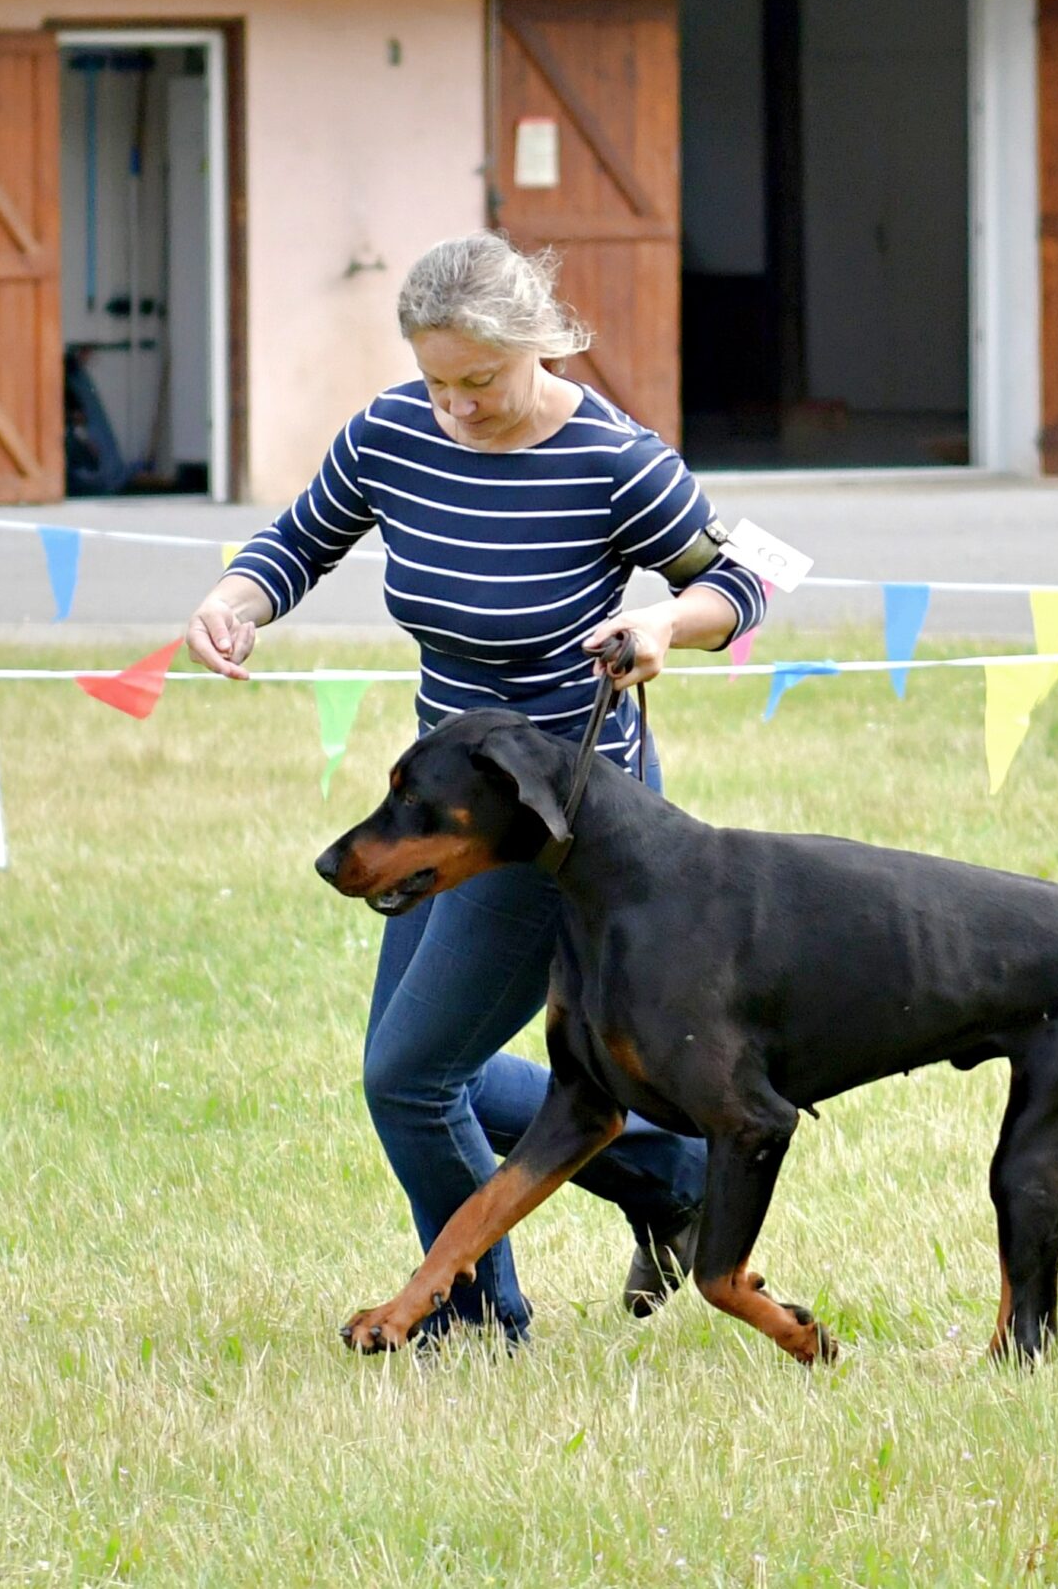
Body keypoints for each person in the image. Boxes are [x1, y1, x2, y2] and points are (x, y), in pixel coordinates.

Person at [186, 232, 767, 1345]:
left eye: (481, 381)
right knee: (414, 1072)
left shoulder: (613, 458)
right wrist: (236, 600)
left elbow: (742, 582)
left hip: (559, 822)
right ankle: (668, 1174)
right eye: (437, 380)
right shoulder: (393, 430)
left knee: (410, 1078)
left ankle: (474, 1323)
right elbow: (300, 540)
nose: (456, 407)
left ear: (538, 345)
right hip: (442, 807)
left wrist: (663, 620)